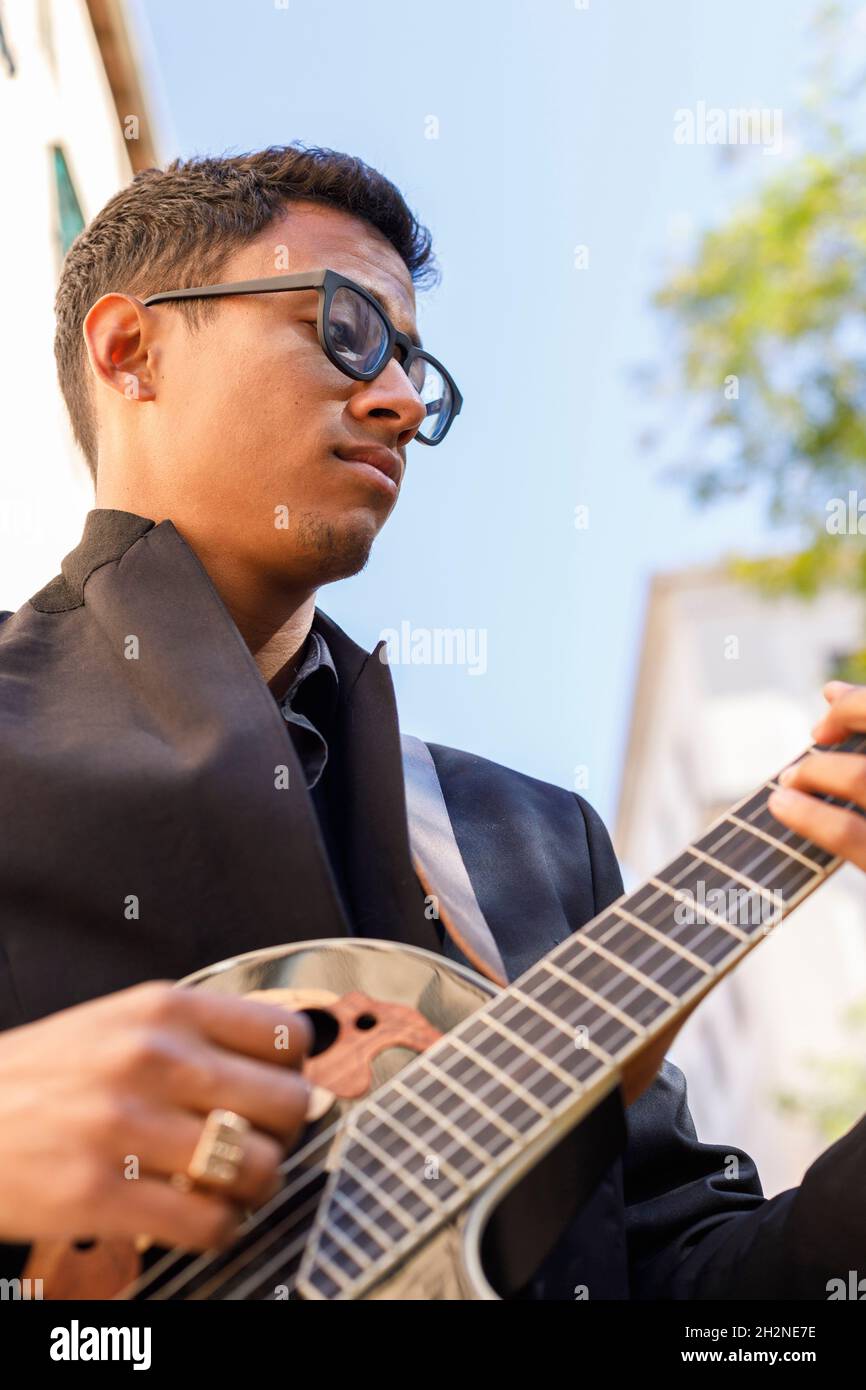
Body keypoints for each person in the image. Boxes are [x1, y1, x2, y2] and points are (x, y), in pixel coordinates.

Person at [0, 145, 862, 1300]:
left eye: (416, 368)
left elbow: (694, 1290)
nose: (401, 402)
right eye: (347, 329)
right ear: (132, 349)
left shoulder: (534, 840)